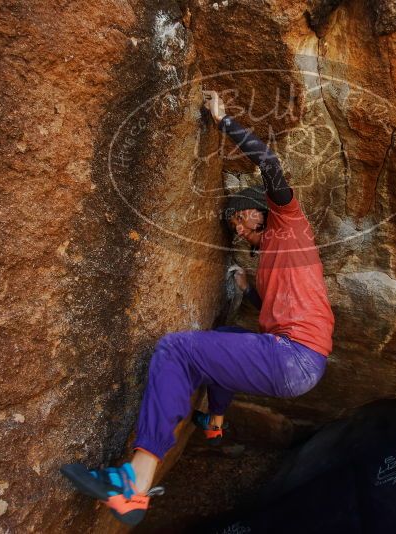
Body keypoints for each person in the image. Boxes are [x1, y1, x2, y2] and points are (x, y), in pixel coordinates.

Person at [60, 90, 335, 527]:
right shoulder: (270, 262)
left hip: (292, 355)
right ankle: (214, 421)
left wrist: (224, 122)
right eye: (231, 224)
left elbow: (270, 164)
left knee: (176, 350)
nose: (237, 227)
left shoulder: (290, 223)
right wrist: (247, 290)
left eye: (240, 217)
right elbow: (272, 306)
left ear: (259, 210)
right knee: (223, 341)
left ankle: (135, 483)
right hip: (300, 360)